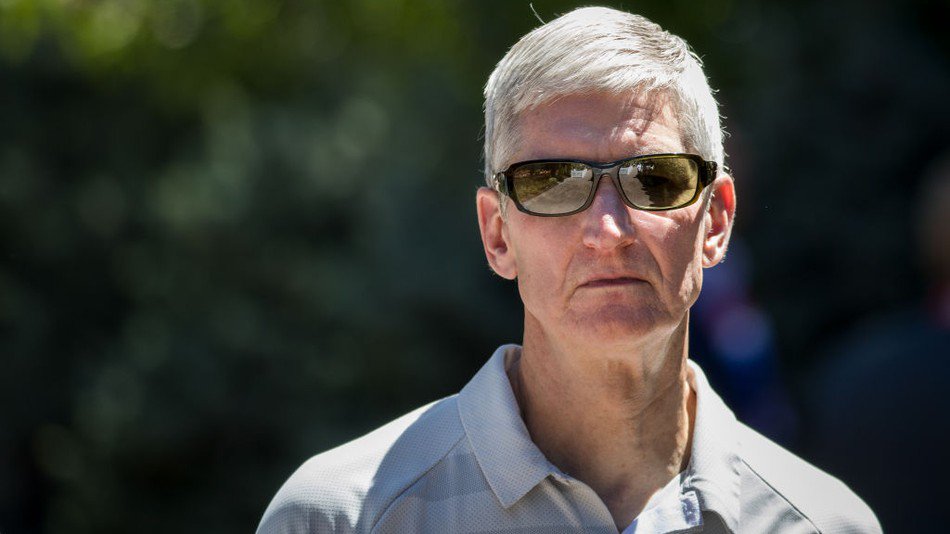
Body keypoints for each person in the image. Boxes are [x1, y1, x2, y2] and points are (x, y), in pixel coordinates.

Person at [257, 7, 880, 533]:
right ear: (497, 234)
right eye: (552, 183)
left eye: (653, 180)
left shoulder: (825, 524)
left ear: (715, 221)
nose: (608, 232)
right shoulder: (341, 517)